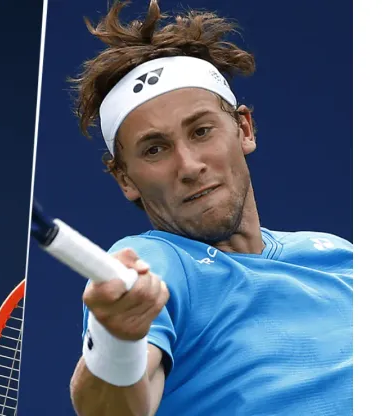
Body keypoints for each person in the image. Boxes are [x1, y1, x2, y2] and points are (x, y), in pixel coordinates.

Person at [67, 1, 353, 415]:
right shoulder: (154, 265)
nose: (189, 165)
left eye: (201, 131)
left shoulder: (339, 256)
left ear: (244, 128)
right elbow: (113, 410)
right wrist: (116, 338)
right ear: (125, 179)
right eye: (155, 149)